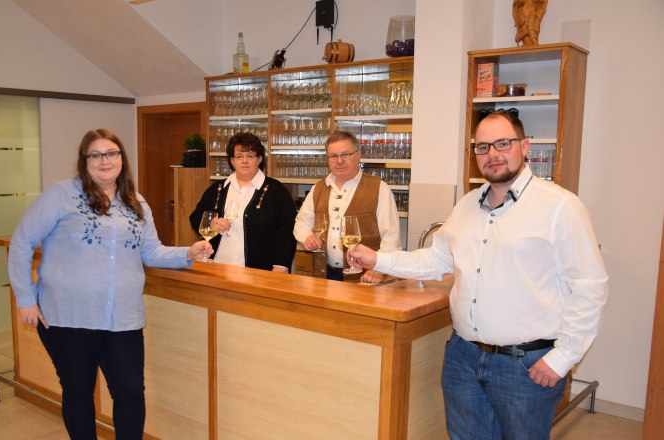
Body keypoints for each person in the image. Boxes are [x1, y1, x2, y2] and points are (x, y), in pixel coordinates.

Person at [348, 111, 609, 439]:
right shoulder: (467, 205)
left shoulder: (560, 207)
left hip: (525, 364)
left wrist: (564, 357)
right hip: (463, 356)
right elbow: (436, 260)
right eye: (483, 147)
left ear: (524, 146)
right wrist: (377, 259)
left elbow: (590, 286)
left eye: (503, 143)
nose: (493, 154)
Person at [8, 128, 212, 440]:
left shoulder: (136, 201)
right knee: (77, 392)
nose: (105, 160)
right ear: (85, 160)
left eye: (112, 153)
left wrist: (188, 252)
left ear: (121, 159)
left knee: (130, 393)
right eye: (96, 154)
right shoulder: (61, 194)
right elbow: (22, 242)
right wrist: (25, 298)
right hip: (67, 318)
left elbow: (150, 251)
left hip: (124, 319)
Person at [293, 131, 401, 283]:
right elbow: (301, 223)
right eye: (333, 156)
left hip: (365, 277)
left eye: (345, 154)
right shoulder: (318, 188)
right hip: (325, 274)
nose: (339, 161)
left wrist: (378, 269)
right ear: (328, 159)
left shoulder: (378, 188)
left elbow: (391, 236)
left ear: (358, 155)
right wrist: (306, 237)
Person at [189, 132, 296, 272]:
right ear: (232, 161)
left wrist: (281, 265)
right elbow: (196, 217)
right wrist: (213, 224)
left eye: (250, 156)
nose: (244, 161)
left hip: (259, 272)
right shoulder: (217, 189)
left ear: (259, 159)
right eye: (239, 156)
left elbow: (288, 231)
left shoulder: (277, 191)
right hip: (218, 267)